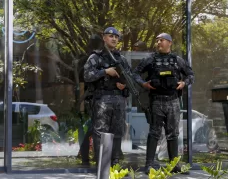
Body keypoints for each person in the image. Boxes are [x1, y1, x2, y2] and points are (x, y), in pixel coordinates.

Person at [131, 33, 194, 174]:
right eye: (157, 40)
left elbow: (191, 75)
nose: (158, 42)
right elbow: (135, 73)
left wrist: (184, 83)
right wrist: (143, 84)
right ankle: (149, 164)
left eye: (162, 40)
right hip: (156, 101)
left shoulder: (178, 60)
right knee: (154, 133)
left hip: (173, 101)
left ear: (169, 43)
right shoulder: (150, 59)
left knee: (173, 134)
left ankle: (174, 165)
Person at [83, 27, 133, 166]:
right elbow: (87, 76)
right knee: (100, 133)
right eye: (110, 36)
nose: (114, 39)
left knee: (118, 132)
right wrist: (105, 71)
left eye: (116, 37)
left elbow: (130, 77)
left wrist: (125, 85)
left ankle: (115, 163)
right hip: (102, 99)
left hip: (119, 99)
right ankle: (102, 165)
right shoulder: (95, 57)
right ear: (104, 38)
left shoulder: (121, 59)